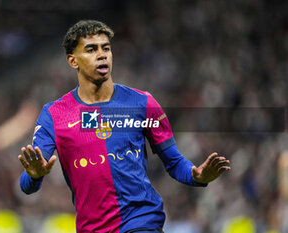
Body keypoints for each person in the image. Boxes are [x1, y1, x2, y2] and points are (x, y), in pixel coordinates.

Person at [18, 20, 231, 233]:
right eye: (91, 49)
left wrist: (196, 175)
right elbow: (26, 185)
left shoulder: (143, 103)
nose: (102, 55)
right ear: (73, 61)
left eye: (106, 48)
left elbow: (174, 162)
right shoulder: (54, 115)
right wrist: (35, 175)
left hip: (141, 222)